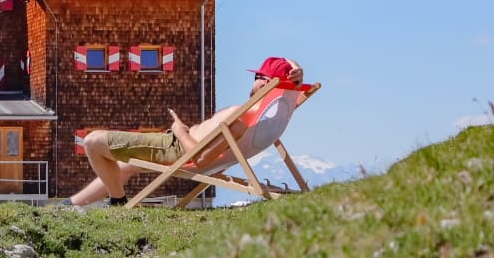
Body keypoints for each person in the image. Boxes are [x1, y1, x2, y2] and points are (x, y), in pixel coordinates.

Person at [65, 57, 310, 207]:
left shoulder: (241, 119)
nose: (253, 81)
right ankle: (71, 205)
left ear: (266, 83)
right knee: (125, 166)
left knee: (92, 141)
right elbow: (290, 95)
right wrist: (297, 73)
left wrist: (179, 129)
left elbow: (199, 158)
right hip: (177, 146)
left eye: (257, 77)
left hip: (176, 148)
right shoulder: (270, 116)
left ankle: (117, 201)